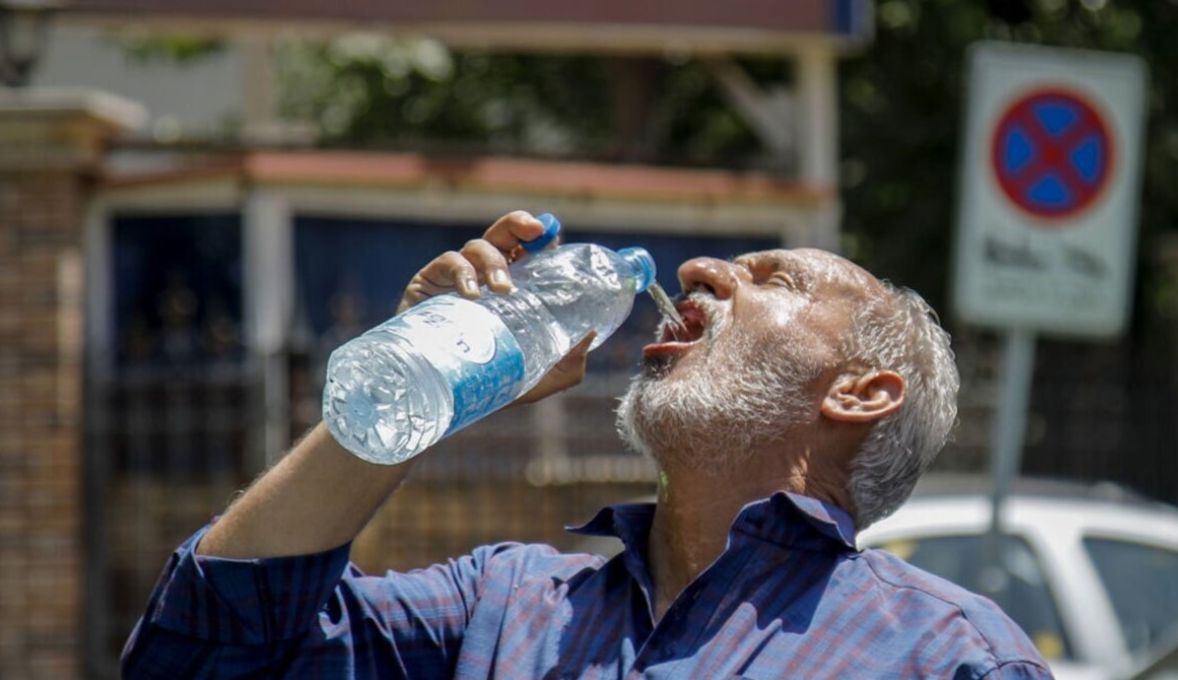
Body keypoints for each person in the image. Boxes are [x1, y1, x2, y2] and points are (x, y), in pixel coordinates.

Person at [122, 211, 1052, 679]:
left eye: (774, 278)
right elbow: (201, 652)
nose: (700, 269)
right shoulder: (504, 603)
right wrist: (415, 396)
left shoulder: (945, 656)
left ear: (860, 392)